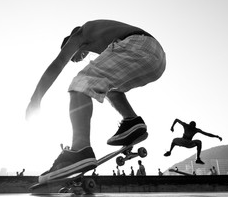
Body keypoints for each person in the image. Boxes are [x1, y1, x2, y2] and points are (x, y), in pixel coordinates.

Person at [25, 20, 166, 184]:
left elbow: (56, 65)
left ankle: (80, 149)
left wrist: (35, 99)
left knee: (81, 83)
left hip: (138, 45)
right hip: (157, 59)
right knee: (105, 86)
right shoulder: (105, 38)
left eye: (73, 57)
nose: (75, 60)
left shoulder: (80, 33)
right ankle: (132, 122)